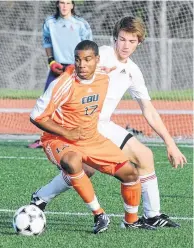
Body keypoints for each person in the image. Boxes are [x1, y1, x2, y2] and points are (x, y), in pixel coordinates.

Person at [31, 16, 187, 228]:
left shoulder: (133, 70)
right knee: (83, 169)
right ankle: (42, 196)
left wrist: (170, 143)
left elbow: (148, 109)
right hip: (79, 124)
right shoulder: (101, 55)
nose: (126, 45)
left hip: (102, 124)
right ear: (115, 38)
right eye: (122, 39)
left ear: (139, 43)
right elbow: (75, 71)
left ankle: (151, 215)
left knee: (144, 156)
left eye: (132, 41)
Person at [30, 40, 155, 234]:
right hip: (58, 139)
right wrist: (67, 132)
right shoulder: (63, 83)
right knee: (73, 162)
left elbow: (112, 68)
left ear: (97, 60)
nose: (82, 64)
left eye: (88, 59)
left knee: (130, 173)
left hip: (91, 139)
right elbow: (36, 116)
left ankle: (131, 221)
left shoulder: (103, 76)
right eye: (78, 60)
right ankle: (99, 214)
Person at [29, 0, 92, 148]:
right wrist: (51, 61)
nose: (64, 6)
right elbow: (47, 43)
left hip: (76, 67)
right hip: (56, 67)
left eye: (68, 3)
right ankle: (44, 139)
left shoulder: (81, 24)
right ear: (57, 4)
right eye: (61, 2)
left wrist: (77, 65)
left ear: (72, 5)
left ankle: (81, 136)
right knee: (46, 103)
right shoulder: (49, 22)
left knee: (77, 103)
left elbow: (88, 47)